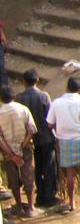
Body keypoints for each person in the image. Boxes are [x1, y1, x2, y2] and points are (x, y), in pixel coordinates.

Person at [46, 77, 80, 212]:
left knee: (70, 174)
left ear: (67, 87)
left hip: (65, 141)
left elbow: (49, 123)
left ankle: (72, 203)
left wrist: (60, 127)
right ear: (79, 89)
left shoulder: (57, 103)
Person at [15, 70, 57, 209]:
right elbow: (50, 118)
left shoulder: (19, 98)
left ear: (23, 82)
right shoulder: (44, 96)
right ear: (37, 80)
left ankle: (40, 197)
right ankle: (49, 197)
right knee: (49, 167)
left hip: (29, 138)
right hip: (46, 137)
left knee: (36, 168)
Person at [0, 86, 37, 217]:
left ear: (1, 98)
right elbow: (32, 130)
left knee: (13, 178)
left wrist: (11, 154)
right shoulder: (23, 109)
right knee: (28, 175)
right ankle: (31, 207)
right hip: (25, 148)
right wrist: (22, 146)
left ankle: (19, 206)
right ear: (14, 97)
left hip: (8, 150)